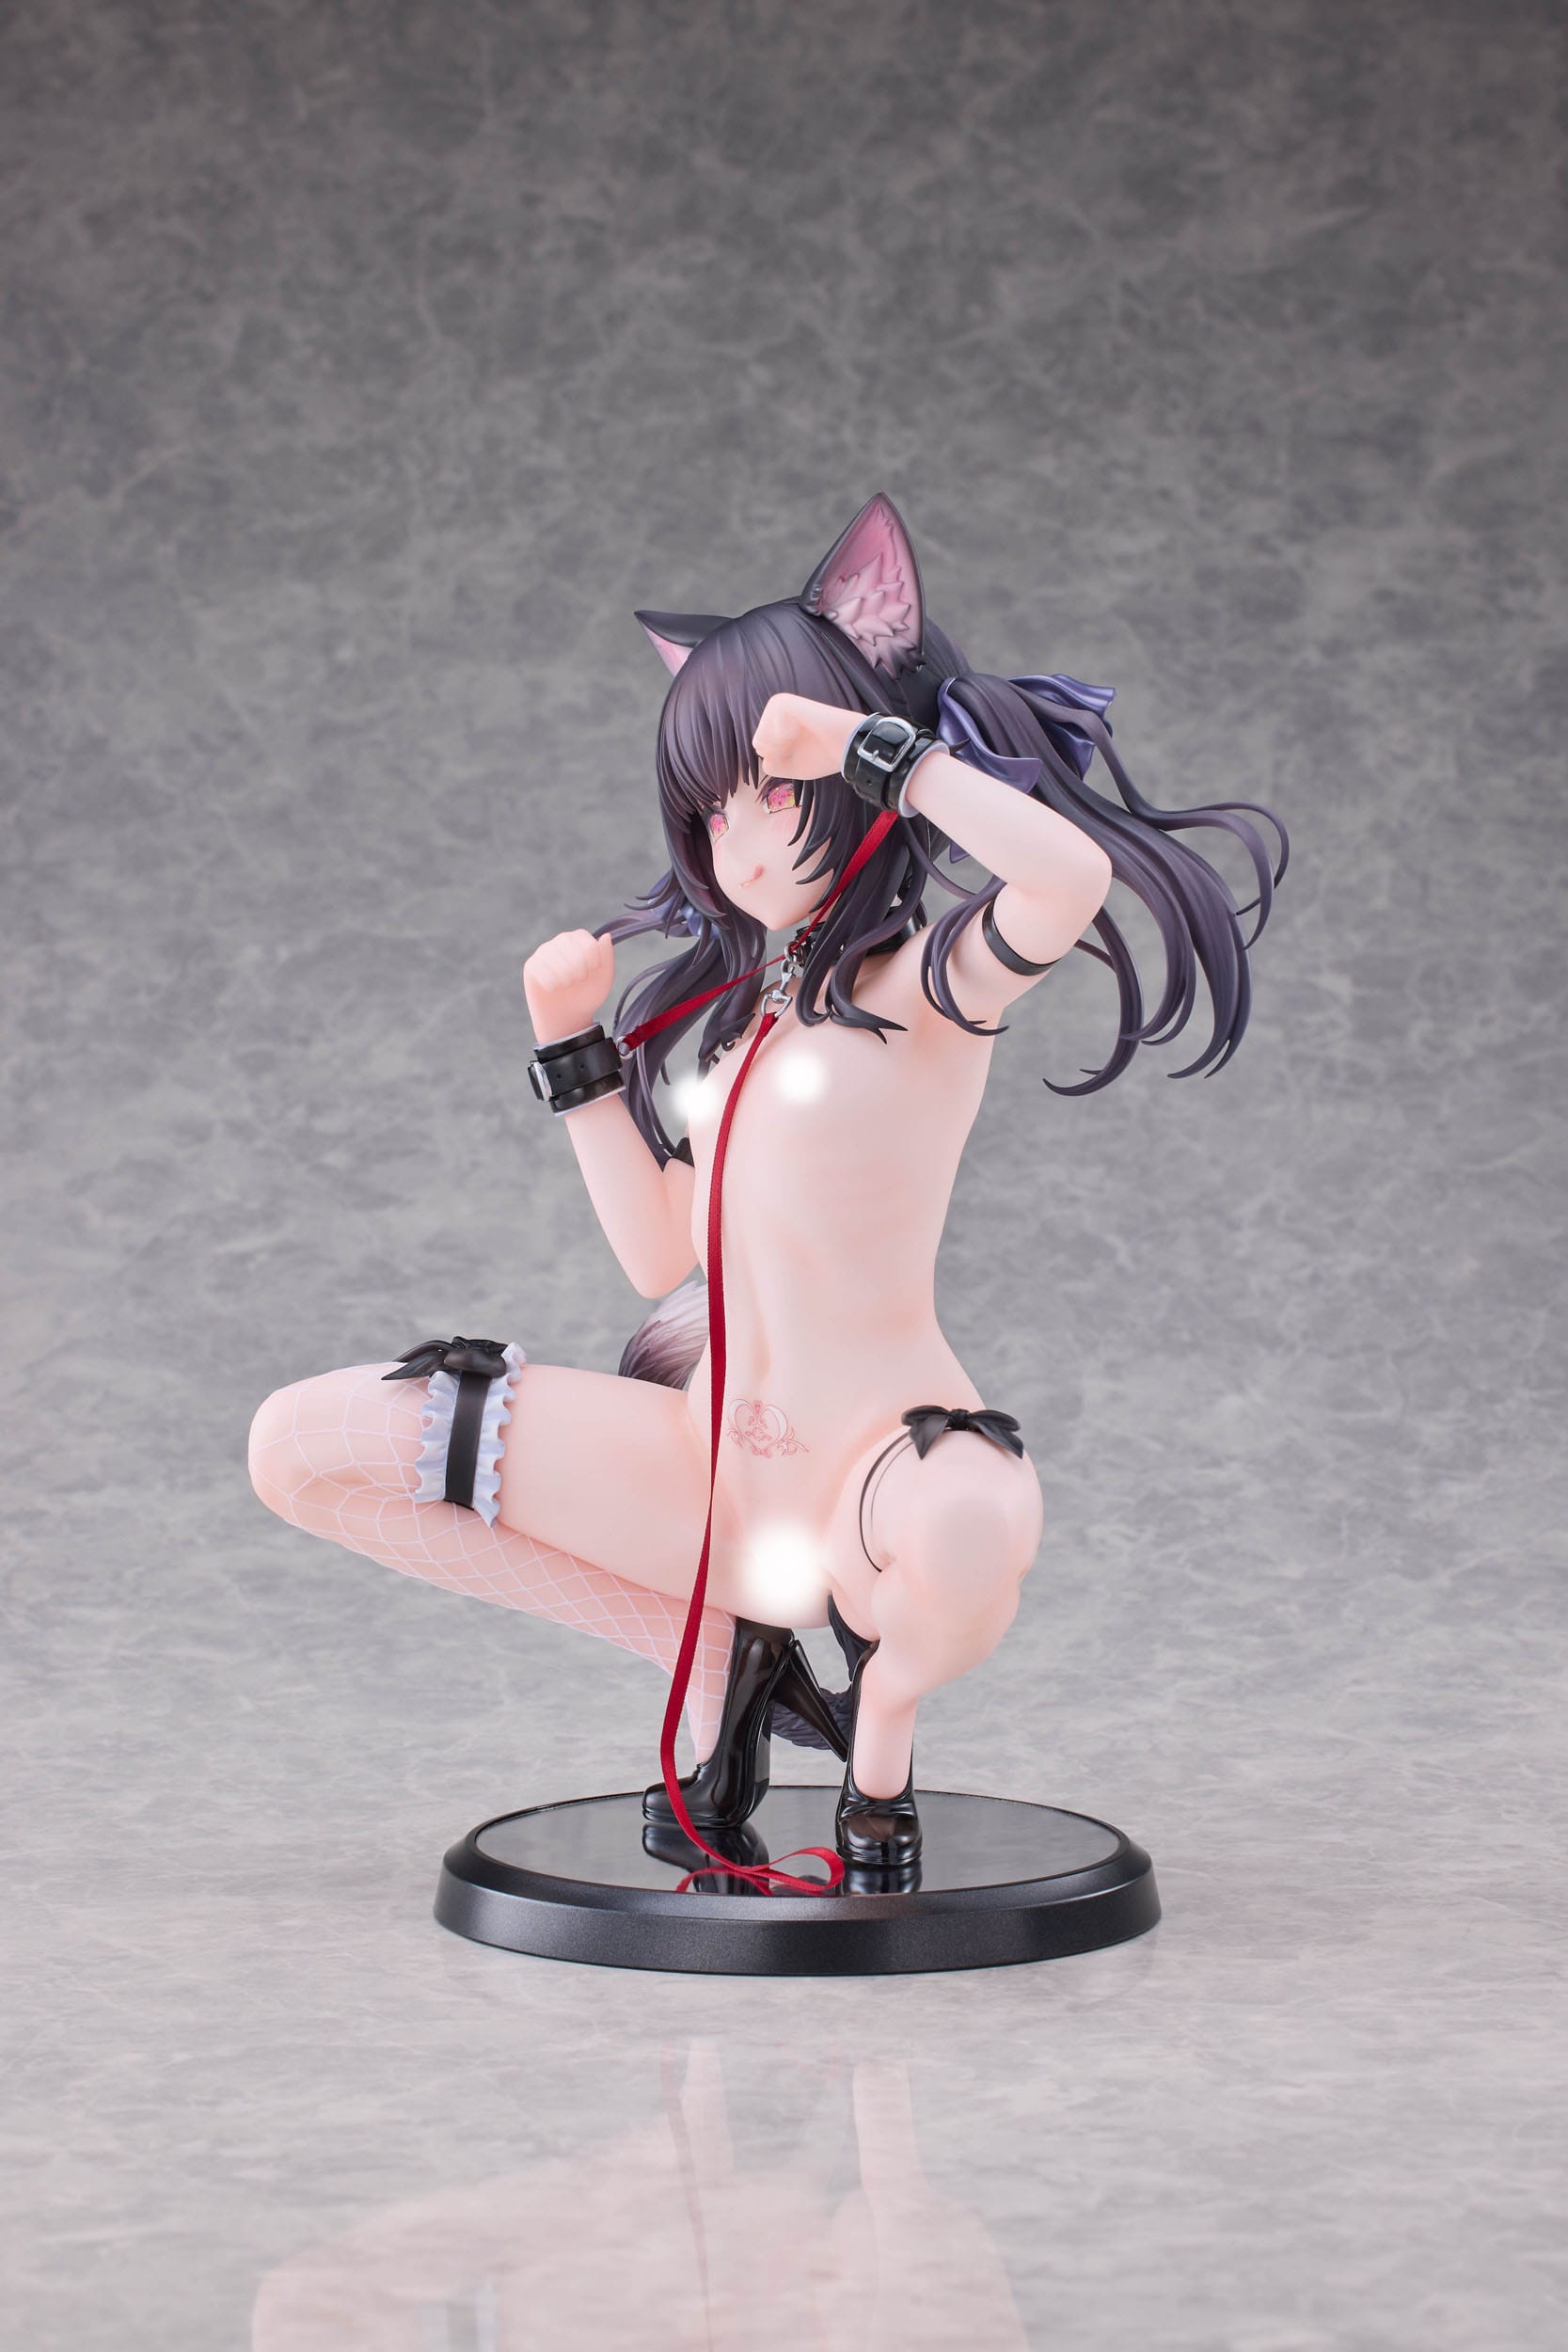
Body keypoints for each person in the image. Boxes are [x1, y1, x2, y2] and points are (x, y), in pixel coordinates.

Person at [248, 494, 1287, 1878]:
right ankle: (722, 1649)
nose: (738, 842)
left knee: (974, 1518)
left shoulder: (923, 989)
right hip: (708, 1467)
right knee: (299, 1450)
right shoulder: (743, 1030)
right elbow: (655, 1253)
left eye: (773, 791)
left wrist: (872, 749)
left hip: (874, 1470)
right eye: (714, 805)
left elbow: (1067, 878)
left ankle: (879, 1753)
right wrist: (571, 1052)